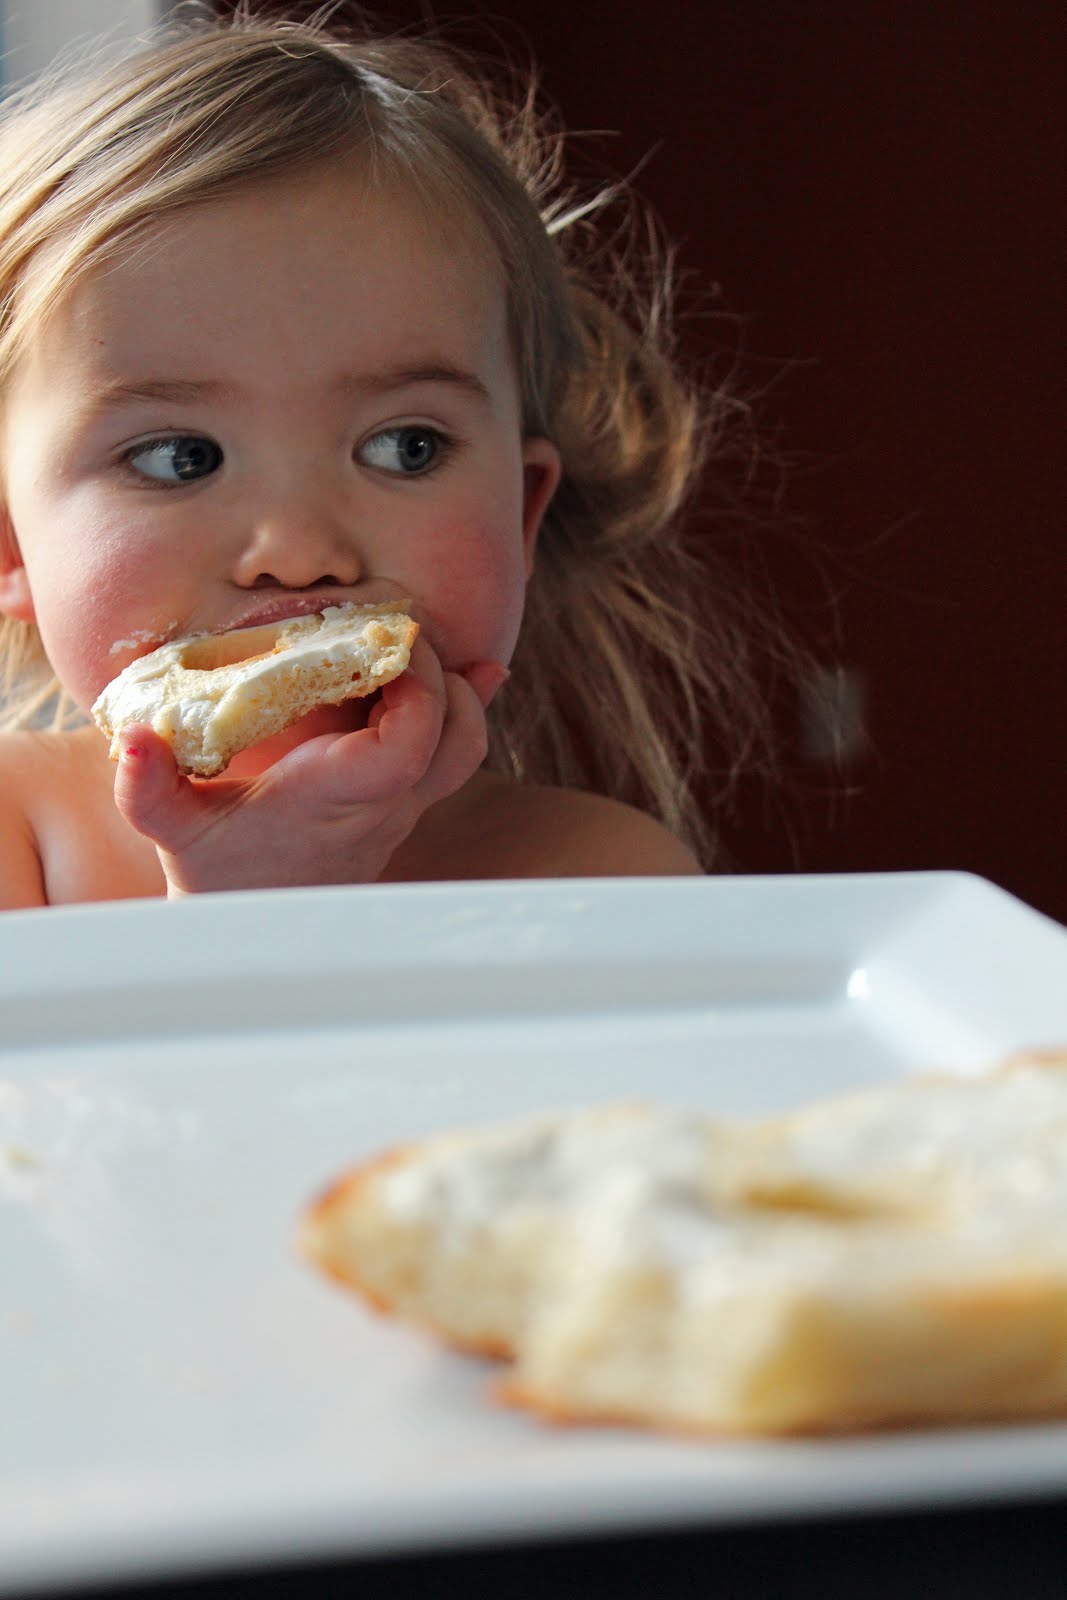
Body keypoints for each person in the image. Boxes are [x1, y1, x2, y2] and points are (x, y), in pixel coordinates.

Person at [0, 7, 779, 908]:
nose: (301, 553)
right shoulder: (20, 833)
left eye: (404, 448)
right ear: (12, 544)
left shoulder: (600, 875)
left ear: (521, 512)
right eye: (180, 457)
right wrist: (242, 909)